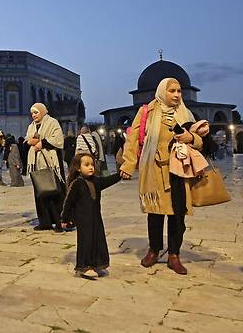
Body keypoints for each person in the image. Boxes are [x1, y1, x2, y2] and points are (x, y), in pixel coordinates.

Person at [120, 78, 202, 275]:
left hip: (178, 171)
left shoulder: (185, 113)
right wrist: (128, 164)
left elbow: (200, 141)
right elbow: (132, 140)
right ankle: (154, 250)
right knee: (155, 213)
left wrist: (191, 138)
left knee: (177, 214)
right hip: (154, 169)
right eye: (172, 90)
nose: (176, 95)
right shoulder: (147, 111)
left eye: (179, 91)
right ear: (162, 91)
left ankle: (174, 255)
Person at [61, 154, 122, 279]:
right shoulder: (77, 183)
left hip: (95, 217)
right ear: (78, 168)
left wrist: (120, 174)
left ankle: (98, 263)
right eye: (86, 165)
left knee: (98, 239)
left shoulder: (95, 180)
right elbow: (68, 202)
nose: (91, 167)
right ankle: (85, 266)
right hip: (83, 220)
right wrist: (65, 218)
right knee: (86, 241)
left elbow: (108, 180)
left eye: (92, 165)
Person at [26, 103, 65, 232]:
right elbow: (28, 140)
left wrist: (43, 143)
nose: (33, 115)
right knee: (41, 192)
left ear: (42, 112)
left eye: (36, 112)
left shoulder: (52, 123)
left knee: (54, 191)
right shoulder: (32, 126)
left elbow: (58, 140)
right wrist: (30, 142)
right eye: (32, 113)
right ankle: (45, 221)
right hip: (37, 164)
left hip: (51, 163)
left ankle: (60, 221)